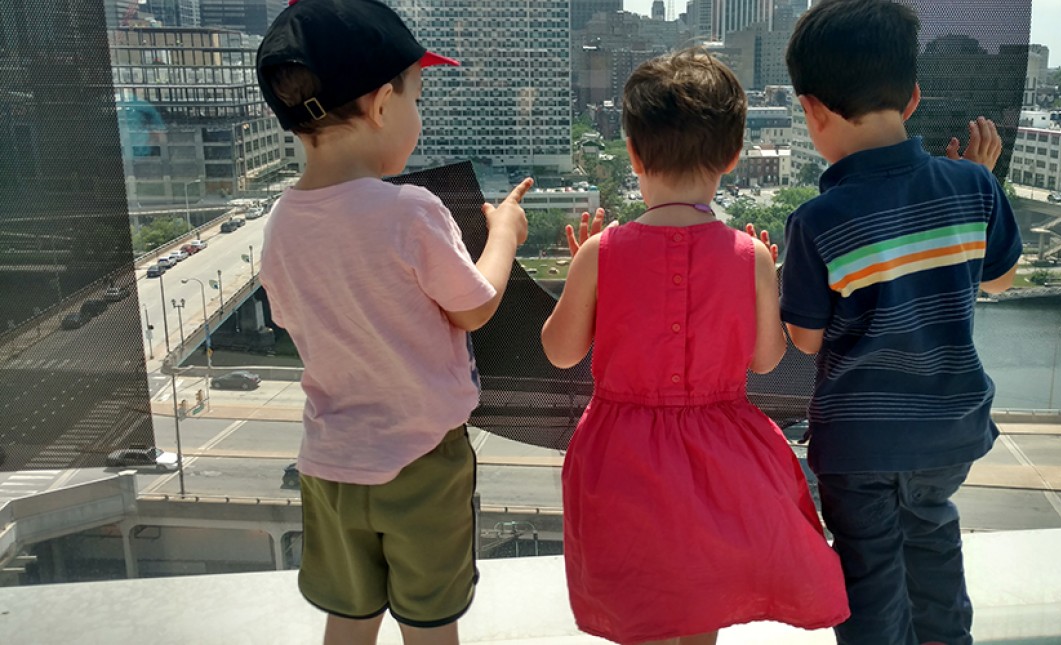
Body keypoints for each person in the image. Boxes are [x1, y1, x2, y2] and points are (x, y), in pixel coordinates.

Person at [542, 49, 850, 645]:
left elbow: (558, 352)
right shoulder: (751, 255)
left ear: (632, 153)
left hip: (622, 459)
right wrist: (759, 276)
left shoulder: (599, 252)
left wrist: (583, 276)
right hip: (720, 457)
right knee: (700, 601)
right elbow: (767, 360)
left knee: (644, 603)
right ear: (734, 157)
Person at [254, 1, 531, 643]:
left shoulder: (280, 225)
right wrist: (505, 235)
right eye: (417, 97)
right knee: (429, 619)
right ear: (382, 106)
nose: (418, 115)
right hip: (422, 460)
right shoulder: (410, 210)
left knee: (348, 615)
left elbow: (294, 320)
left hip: (330, 462)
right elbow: (475, 304)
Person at [779, 1, 1021, 644]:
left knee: (871, 578)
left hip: (861, 441)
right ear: (912, 97)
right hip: (949, 433)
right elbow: (997, 278)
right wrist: (979, 180)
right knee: (933, 544)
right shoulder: (973, 187)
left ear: (811, 109)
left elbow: (803, 338)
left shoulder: (817, 221)